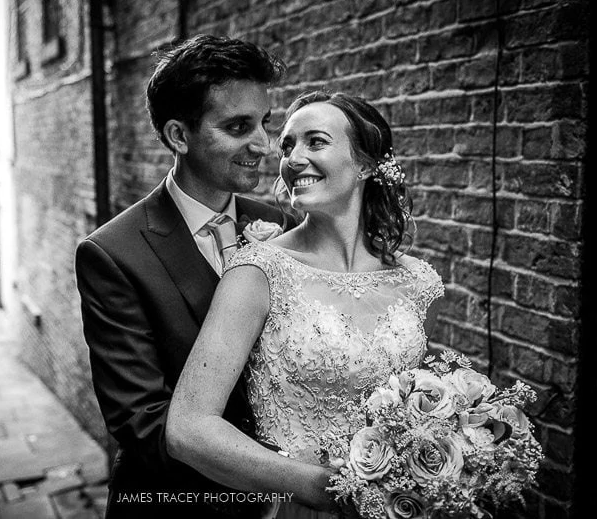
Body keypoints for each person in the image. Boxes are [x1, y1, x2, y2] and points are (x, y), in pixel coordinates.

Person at [167, 91, 445, 518]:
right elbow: (189, 428)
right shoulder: (258, 272)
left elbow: (416, 402)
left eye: (315, 142)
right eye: (288, 145)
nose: (293, 158)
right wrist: (323, 489)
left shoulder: (417, 282)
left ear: (366, 164)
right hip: (301, 506)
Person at [75, 34, 290, 518]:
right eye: (239, 127)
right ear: (178, 136)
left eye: (265, 123)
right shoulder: (111, 254)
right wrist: (272, 488)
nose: (264, 145)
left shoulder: (282, 226)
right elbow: (143, 423)